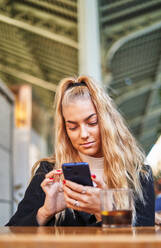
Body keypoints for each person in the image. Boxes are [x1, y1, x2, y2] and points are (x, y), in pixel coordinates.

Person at [6, 75, 155, 226]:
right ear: (65, 130)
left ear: (108, 121)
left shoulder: (138, 176)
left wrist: (106, 212)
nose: (83, 134)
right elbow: (12, 232)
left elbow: (143, 240)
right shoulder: (50, 173)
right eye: (72, 127)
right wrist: (45, 212)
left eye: (92, 122)